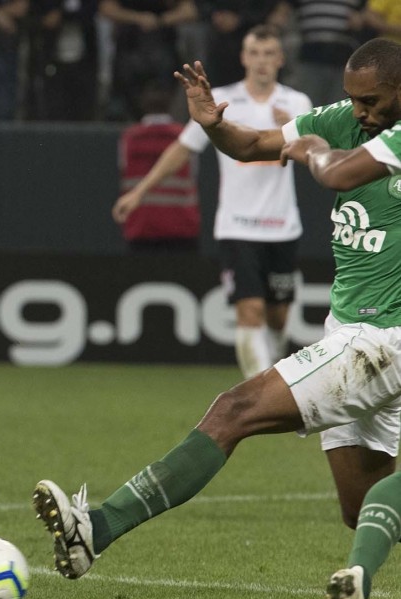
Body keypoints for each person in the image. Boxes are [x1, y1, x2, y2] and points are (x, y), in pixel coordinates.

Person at [34, 37, 401, 599]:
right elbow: (251, 144)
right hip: (359, 330)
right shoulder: (341, 118)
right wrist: (212, 126)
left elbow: (334, 173)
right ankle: (353, 588)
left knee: (234, 409)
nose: (359, 111)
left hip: (383, 338)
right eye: (354, 100)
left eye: (373, 101)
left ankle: (94, 530)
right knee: (362, 510)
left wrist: (305, 145)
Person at [113, 25, 311, 377]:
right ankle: (261, 390)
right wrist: (140, 192)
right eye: (254, 53)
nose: (262, 61)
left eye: (269, 54)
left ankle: (275, 363)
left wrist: (295, 130)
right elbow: (183, 148)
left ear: (280, 59)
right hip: (237, 226)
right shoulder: (220, 100)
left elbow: (315, 153)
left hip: (282, 226)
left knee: (278, 315)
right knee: (249, 310)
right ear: (243, 58)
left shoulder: (297, 104)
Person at [112, 79, 200, 251]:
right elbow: (194, 174)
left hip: (140, 227)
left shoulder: (129, 138)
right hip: (181, 228)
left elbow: (121, 169)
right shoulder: (184, 136)